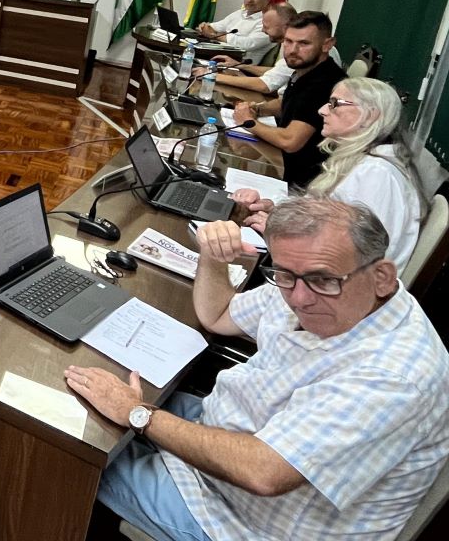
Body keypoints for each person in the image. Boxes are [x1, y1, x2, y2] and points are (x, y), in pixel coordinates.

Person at [68, 196, 449, 541]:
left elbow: (263, 472)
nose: (299, 299)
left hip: (250, 521)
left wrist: (138, 414)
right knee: (94, 401)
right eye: (285, 276)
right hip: (234, 431)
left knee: (73, 453)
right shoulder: (311, 280)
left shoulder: (396, 374)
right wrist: (212, 260)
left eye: (322, 280)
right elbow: (218, 315)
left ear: (381, 276)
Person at [235, 79, 425, 271]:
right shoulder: (364, 160)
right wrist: (276, 207)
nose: (322, 110)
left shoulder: (377, 175)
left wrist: (282, 233)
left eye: (335, 104)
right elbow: (326, 214)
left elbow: (360, 257)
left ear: (371, 116)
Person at [232, 11, 346, 187]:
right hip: (284, 163)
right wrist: (259, 109)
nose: (293, 50)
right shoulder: (305, 70)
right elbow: (289, 102)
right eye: (288, 41)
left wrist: (249, 122)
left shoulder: (325, 83)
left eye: (304, 43)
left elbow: (291, 141)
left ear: (327, 45)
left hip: (303, 183)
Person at [198, 0, 271, 54]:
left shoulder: (268, 21)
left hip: (240, 61)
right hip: (218, 54)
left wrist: (215, 35)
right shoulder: (239, 13)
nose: (250, 0)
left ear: (267, 0)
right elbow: (212, 27)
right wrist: (205, 27)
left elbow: (249, 44)